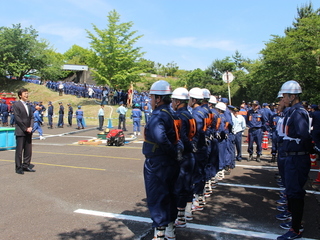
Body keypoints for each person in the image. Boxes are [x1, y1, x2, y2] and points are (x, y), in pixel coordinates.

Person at [143, 80, 183, 240]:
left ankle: (159, 233)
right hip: (170, 162)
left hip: (158, 162)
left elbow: (161, 138)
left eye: (152, 97)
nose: (151, 100)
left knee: (157, 195)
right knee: (171, 194)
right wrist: (177, 152)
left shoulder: (159, 115)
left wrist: (173, 152)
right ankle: (170, 230)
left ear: (158, 99)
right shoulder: (173, 113)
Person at [276, 80, 313, 240]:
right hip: (292, 157)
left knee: (296, 193)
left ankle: (296, 229)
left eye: (285, 95)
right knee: (292, 191)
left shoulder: (298, 112)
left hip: (297, 158)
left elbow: (304, 135)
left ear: (292, 96)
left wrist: (296, 145)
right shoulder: (293, 111)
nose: (283, 98)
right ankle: (294, 224)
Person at [171, 87, 196, 228]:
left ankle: (180, 218)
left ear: (178, 101)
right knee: (187, 185)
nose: (172, 103)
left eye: (174, 100)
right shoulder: (190, 114)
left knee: (180, 186)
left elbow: (181, 138)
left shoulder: (179, 116)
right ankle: (188, 213)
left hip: (184, 155)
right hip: (190, 153)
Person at [13, 88, 36, 174]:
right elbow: (17, 119)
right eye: (24, 93)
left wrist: (31, 127)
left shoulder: (29, 105)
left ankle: (26, 165)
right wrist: (25, 128)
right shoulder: (16, 105)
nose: (26, 95)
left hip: (29, 131)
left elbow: (32, 117)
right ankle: (18, 167)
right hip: (21, 131)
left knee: (28, 150)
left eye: (27, 93)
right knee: (19, 150)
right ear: (20, 95)